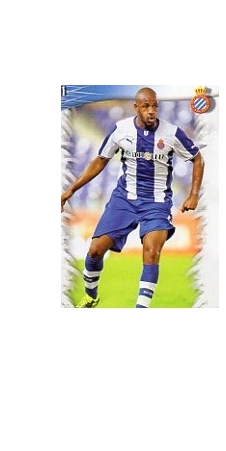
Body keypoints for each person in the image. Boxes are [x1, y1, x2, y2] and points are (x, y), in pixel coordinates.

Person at [61, 87, 204, 308]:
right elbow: (100, 160)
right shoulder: (121, 129)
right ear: (136, 107)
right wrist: (71, 190)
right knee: (95, 250)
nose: (151, 110)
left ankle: (140, 308)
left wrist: (194, 194)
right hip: (124, 200)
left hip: (156, 203)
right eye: (146, 106)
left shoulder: (171, 133)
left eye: (154, 106)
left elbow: (197, 158)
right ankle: (91, 295)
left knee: (151, 252)